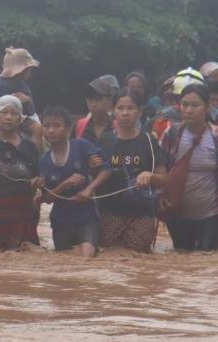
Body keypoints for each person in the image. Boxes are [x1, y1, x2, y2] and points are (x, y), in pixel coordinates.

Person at [159, 84, 218, 251]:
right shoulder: (170, 135)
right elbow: (158, 173)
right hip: (178, 216)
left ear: (207, 107)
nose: (188, 110)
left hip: (211, 217)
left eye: (195, 105)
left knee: (206, 262)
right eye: (185, 104)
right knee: (181, 263)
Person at [97, 90, 167, 253]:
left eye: (130, 108)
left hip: (142, 214)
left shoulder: (149, 141)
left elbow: (164, 178)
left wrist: (150, 177)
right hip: (109, 213)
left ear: (140, 111)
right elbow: (94, 177)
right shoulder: (104, 141)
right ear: (113, 111)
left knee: (137, 257)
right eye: (120, 108)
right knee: (109, 259)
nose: (125, 113)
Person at [38, 107, 111, 257]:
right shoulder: (44, 160)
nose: (51, 130)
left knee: (86, 258)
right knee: (65, 263)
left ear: (68, 128)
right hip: (60, 221)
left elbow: (106, 169)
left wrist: (89, 189)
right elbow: (47, 199)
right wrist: (64, 185)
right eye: (47, 126)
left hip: (87, 217)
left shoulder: (81, 146)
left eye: (56, 126)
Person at [0, 95, 40, 251]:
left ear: (20, 119)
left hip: (22, 215)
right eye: (4, 112)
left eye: (14, 114)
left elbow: (37, 177)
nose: (8, 117)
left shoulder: (30, 147)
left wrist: (37, 182)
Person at [0, 47, 42, 146]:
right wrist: (12, 101)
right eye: (28, 69)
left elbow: (31, 110)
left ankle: (35, 154)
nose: (30, 72)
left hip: (20, 117)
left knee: (37, 128)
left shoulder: (22, 85)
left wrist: (27, 101)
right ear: (21, 70)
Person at [74, 75, 119, 146]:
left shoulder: (119, 127)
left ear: (109, 101)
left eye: (98, 99)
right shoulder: (80, 126)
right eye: (90, 99)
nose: (93, 104)